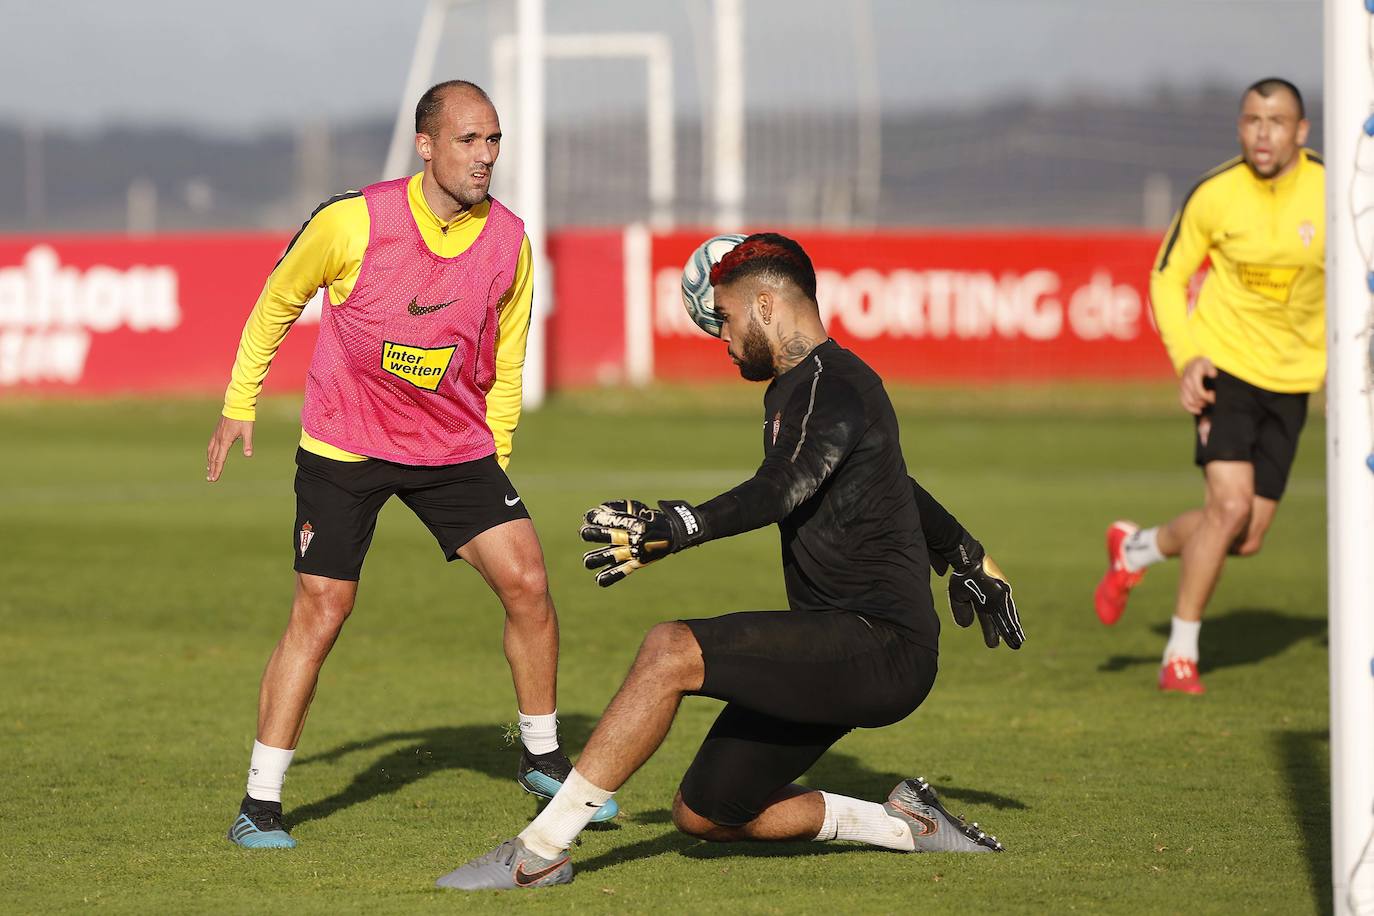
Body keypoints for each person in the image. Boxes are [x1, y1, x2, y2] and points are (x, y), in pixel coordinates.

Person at [434, 233, 1026, 891]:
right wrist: (967, 555)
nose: (722, 334)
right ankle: (900, 824)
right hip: (834, 643)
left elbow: (786, 485)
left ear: (767, 304)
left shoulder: (832, 386)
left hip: (878, 644)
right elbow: (891, 483)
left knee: (669, 650)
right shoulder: (805, 387)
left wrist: (683, 525)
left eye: (728, 317)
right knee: (707, 811)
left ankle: (538, 852)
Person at [206, 80, 614, 849]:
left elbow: (511, 349)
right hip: (345, 445)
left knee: (528, 581)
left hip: (453, 448)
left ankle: (542, 759)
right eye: (468, 141)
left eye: (494, 140)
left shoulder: (509, 239)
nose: (485, 156)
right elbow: (276, 301)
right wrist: (240, 403)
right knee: (322, 612)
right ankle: (259, 804)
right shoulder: (352, 221)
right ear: (425, 146)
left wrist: (499, 452)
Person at [1094, 77, 1325, 695]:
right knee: (1228, 507)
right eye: (1252, 119)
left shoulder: (1335, 192)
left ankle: (1137, 549)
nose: (1263, 132)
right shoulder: (1217, 193)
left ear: (1301, 132)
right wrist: (1188, 357)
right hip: (1226, 368)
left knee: (1244, 535)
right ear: (1240, 126)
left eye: (1277, 121)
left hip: (1296, 380)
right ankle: (1181, 653)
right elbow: (1167, 277)